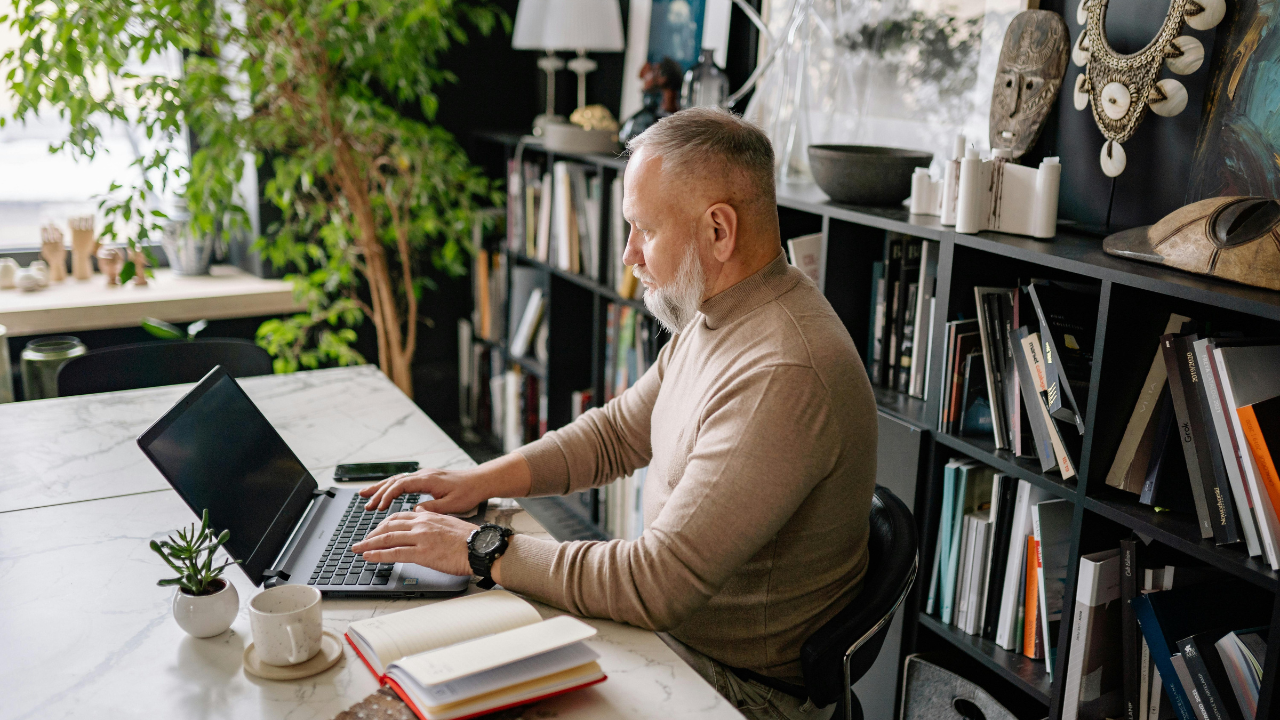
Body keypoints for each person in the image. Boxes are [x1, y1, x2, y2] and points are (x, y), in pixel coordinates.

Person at [352, 107, 878, 720]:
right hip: (678, 638)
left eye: (643, 230)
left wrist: (480, 546)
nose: (629, 254)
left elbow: (656, 583)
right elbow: (617, 434)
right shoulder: (718, 310)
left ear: (718, 231)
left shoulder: (781, 373)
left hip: (737, 690)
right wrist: (479, 481)